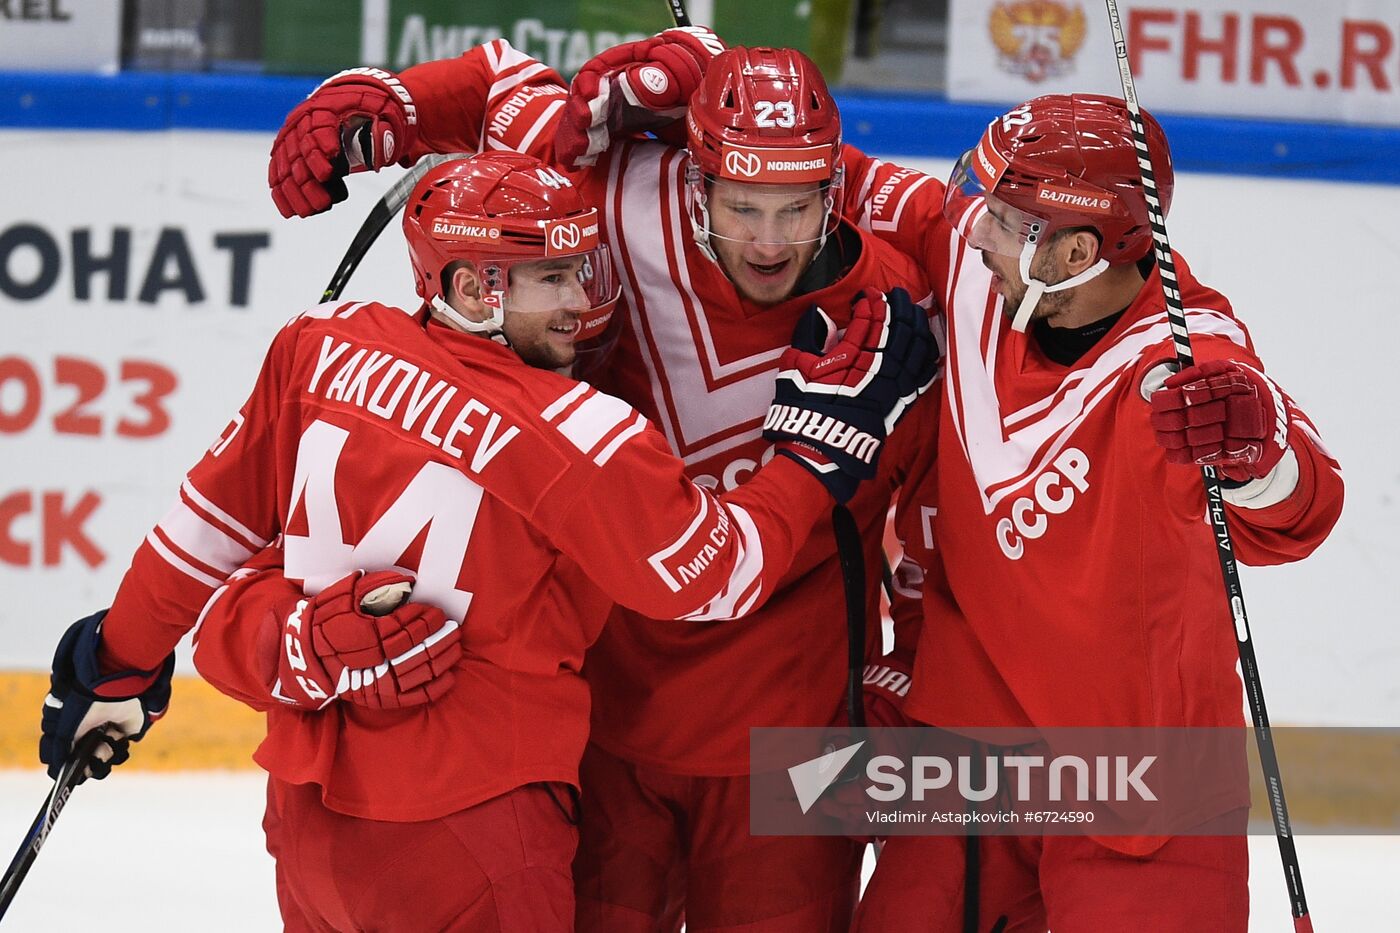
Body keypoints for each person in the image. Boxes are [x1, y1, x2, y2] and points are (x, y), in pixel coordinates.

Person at [37, 151, 938, 931]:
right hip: (477, 832)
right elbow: (715, 573)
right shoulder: (578, 430)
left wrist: (117, 664)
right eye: (552, 280)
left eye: (582, 273)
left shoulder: (318, 347)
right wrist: (823, 451)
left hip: (308, 832)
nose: (581, 306)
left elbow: (202, 534)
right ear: (473, 288)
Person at [261, 33, 938, 932]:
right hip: (606, 712)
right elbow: (505, 85)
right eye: (741, 206)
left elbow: (936, 502)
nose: (768, 242)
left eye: (796, 209)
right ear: (694, 183)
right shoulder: (604, 202)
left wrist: (907, 668)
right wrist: (397, 100)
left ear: (834, 193)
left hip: (796, 737)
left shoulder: (889, 314)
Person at [848, 97, 1344, 930]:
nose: (975, 232)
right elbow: (842, 174)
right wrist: (700, 76)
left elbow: (1305, 509)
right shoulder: (980, 267)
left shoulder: (1183, 364)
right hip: (975, 750)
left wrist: (1256, 453)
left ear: (1074, 251)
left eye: (1002, 221)